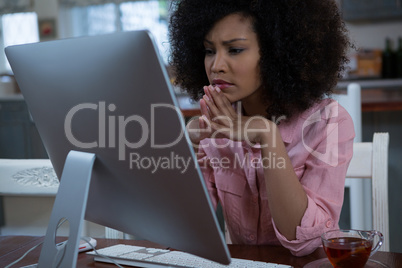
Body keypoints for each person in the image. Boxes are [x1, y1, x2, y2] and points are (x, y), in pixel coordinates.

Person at [168, 0, 355, 256]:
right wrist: (185, 148)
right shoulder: (215, 124)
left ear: (277, 52)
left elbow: (305, 243)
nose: (216, 65)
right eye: (209, 51)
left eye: (234, 49)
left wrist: (267, 135)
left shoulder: (329, 123)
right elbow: (183, 229)